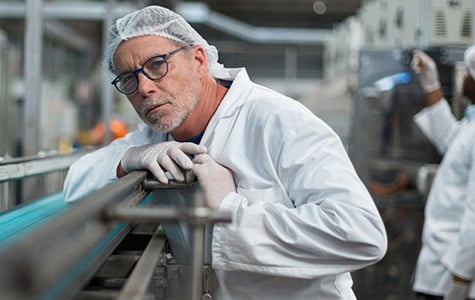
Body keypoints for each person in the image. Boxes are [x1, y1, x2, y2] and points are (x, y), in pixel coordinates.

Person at [63, 5, 387, 299]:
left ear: (199, 60)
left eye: (157, 65)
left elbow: (360, 232)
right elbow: (76, 184)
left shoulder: (278, 121)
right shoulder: (155, 136)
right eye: (128, 79)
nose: (145, 88)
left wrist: (231, 210)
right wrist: (129, 158)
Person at [410, 47, 475, 300]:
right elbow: (451, 142)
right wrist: (431, 84)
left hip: (451, 278)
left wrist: (460, 282)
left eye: (468, 73)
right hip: (441, 271)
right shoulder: (470, 125)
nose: (463, 78)